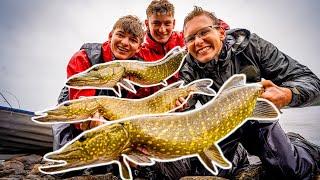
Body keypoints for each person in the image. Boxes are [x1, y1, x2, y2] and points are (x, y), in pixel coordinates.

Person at [176, 6, 320, 179]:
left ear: (221, 32)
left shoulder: (253, 46)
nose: (198, 42)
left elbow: (310, 81)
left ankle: (301, 146)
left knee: (289, 170)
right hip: (220, 130)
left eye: (203, 32)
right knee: (207, 173)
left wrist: (288, 94)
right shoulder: (188, 68)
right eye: (190, 38)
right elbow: (186, 105)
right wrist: (179, 107)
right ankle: (241, 156)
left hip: (258, 121)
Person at [53, 15, 145, 150]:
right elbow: (81, 108)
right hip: (73, 117)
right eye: (120, 35)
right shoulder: (84, 57)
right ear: (110, 36)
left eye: (132, 40)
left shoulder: (138, 69)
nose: (125, 43)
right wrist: (91, 122)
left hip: (110, 120)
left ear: (138, 48)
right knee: (66, 163)